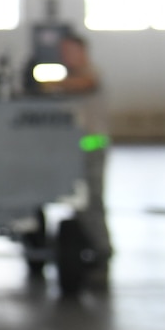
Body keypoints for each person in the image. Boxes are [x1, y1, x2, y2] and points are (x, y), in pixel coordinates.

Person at [36, 28, 113, 271]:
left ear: (82, 51)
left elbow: (81, 85)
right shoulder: (68, 77)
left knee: (92, 203)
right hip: (72, 150)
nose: (66, 56)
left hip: (92, 147)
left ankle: (102, 252)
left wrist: (46, 84)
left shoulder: (89, 74)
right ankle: (85, 250)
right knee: (78, 203)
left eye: (70, 51)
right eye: (63, 51)